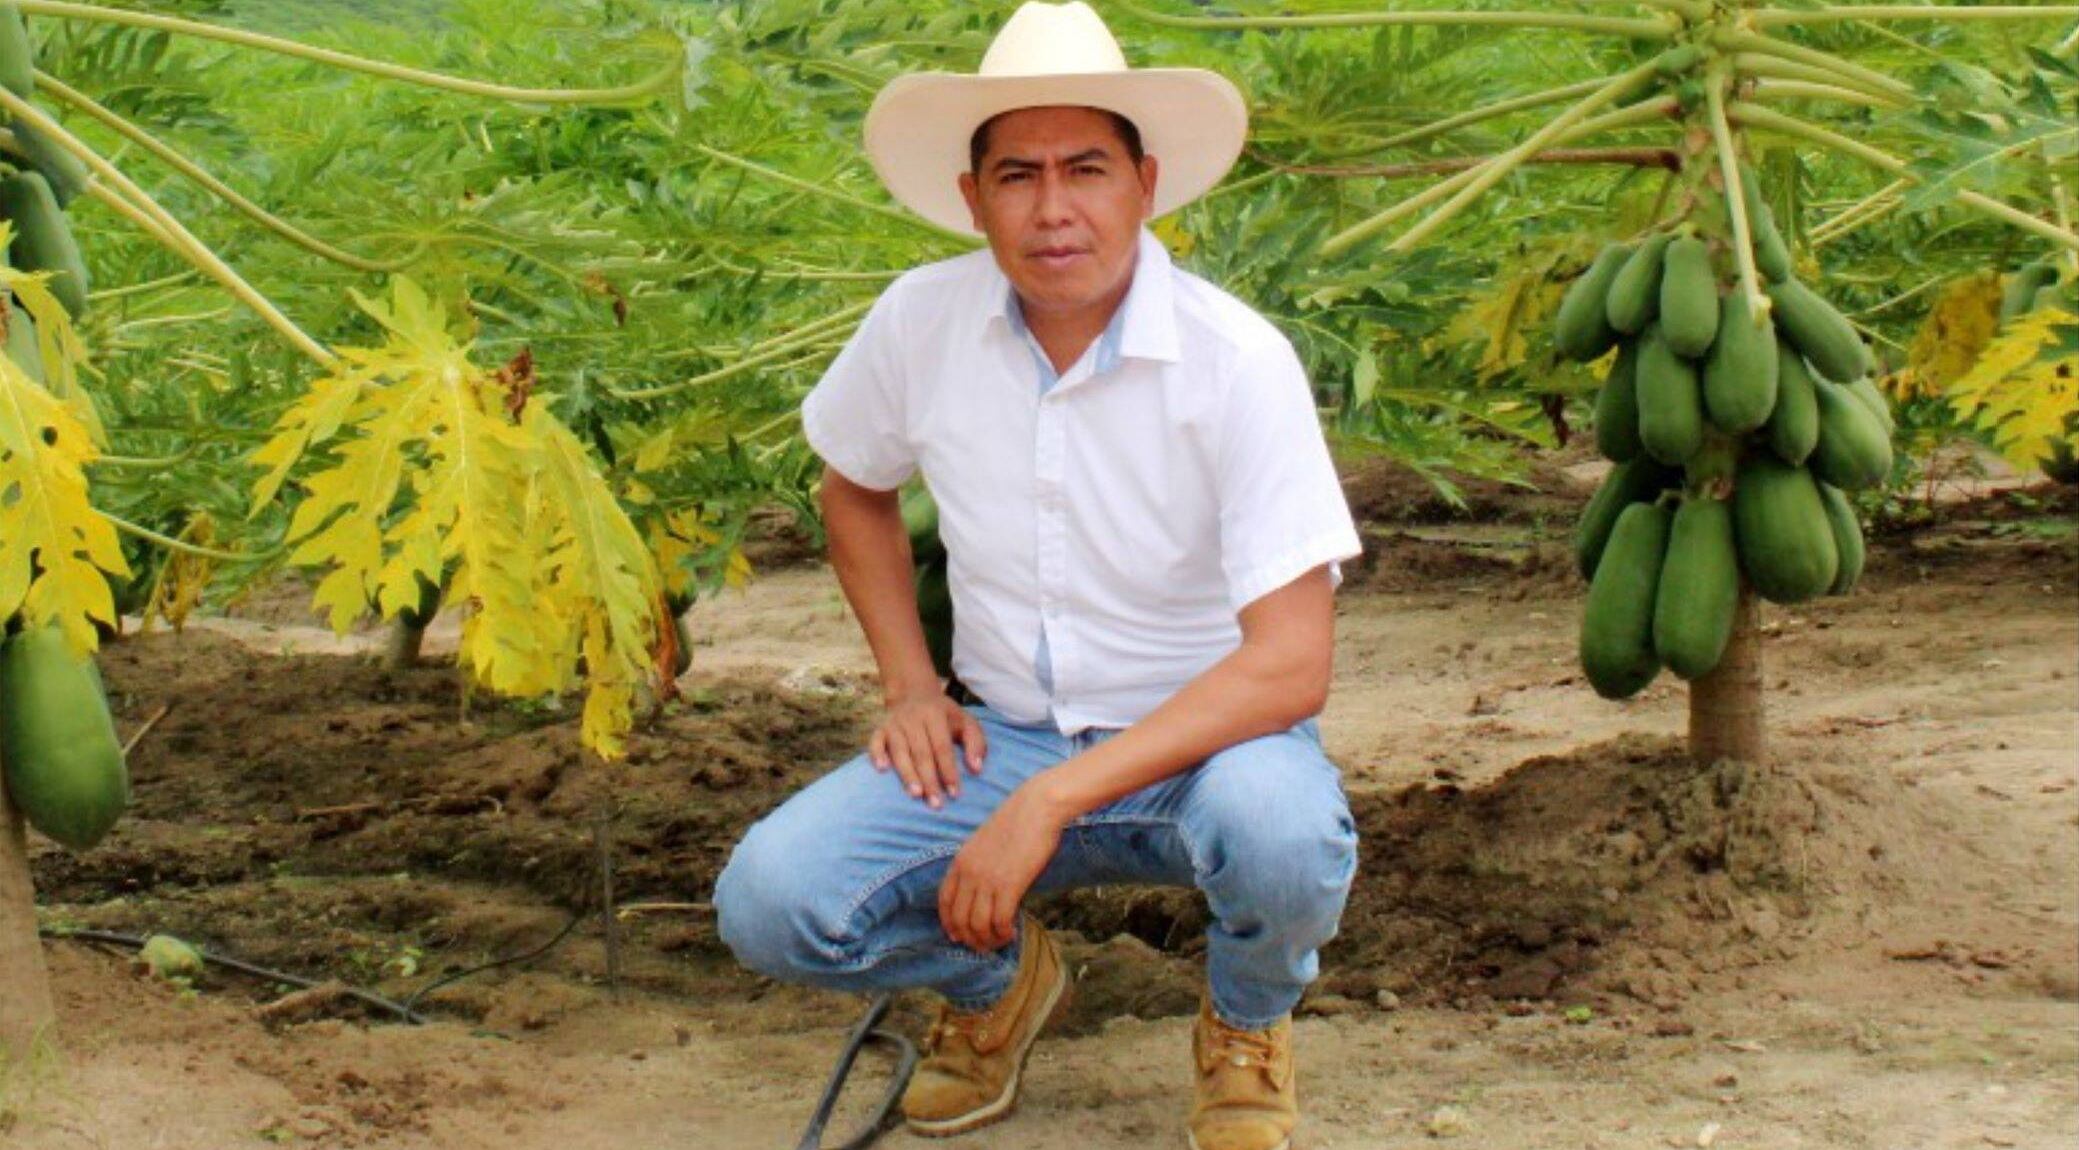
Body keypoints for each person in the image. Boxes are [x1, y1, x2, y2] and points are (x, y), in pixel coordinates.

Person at [713, 4, 1362, 1147]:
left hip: (1206, 751)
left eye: (1086, 170)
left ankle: (1247, 1020)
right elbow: (851, 486)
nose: (1053, 208)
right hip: (999, 735)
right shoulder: (919, 322)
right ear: (973, 199)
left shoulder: (1238, 362)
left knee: (1284, 835)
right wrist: (913, 689)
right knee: (771, 902)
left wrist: (1048, 801)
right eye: (1017, 175)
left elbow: (1292, 665)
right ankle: (997, 986)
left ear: (1144, 183)